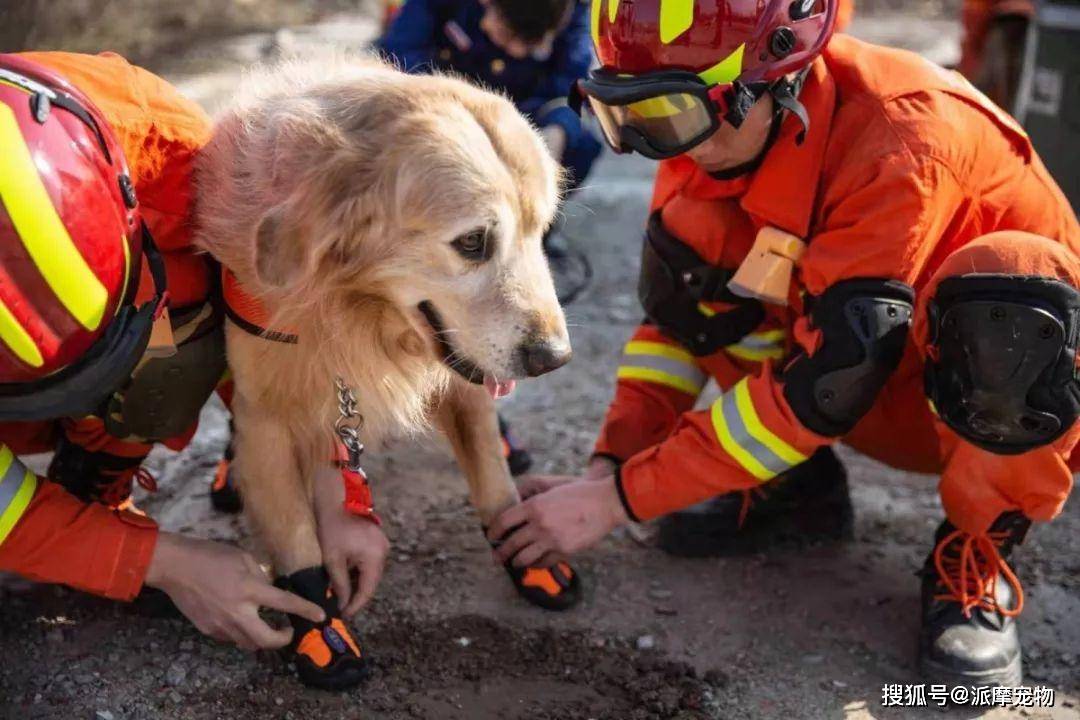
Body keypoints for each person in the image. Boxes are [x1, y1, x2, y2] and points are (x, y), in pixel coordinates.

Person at [488, 0, 1080, 687]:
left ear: (777, 76)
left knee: (1011, 299)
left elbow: (830, 384)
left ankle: (977, 552)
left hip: (984, 397)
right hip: (856, 362)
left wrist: (622, 500)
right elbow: (679, 327)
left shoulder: (903, 138)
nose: (661, 145)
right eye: (630, 117)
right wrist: (609, 466)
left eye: (669, 116)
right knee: (690, 267)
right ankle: (795, 492)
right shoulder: (709, 126)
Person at [0, 53, 389, 682]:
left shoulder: (174, 153)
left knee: (182, 345)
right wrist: (162, 561)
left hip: (144, 270)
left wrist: (337, 480)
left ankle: (95, 479)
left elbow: (279, 344)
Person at [377, 0, 602, 306]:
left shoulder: (570, 9)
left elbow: (574, 86)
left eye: (532, 44)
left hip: (525, 117)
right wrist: (452, 122)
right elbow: (398, 59)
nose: (518, 53)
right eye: (509, 36)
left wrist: (556, 131)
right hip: (444, 117)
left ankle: (531, 230)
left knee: (581, 143)